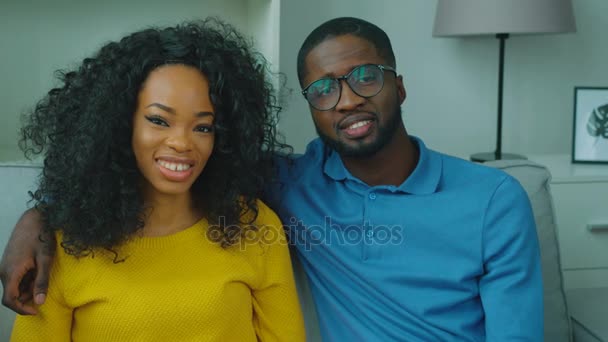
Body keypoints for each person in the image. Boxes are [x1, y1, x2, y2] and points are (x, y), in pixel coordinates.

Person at [2, 17, 542, 341]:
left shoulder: (493, 199)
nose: (348, 98)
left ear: (399, 86)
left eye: (365, 76)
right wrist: (40, 215)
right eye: (323, 89)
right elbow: (136, 166)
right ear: (310, 106)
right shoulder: (289, 182)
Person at [5, 18, 305, 341]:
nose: (182, 142)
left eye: (203, 127)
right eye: (159, 120)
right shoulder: (62, 246)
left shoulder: (255, 227)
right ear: (121, 123)